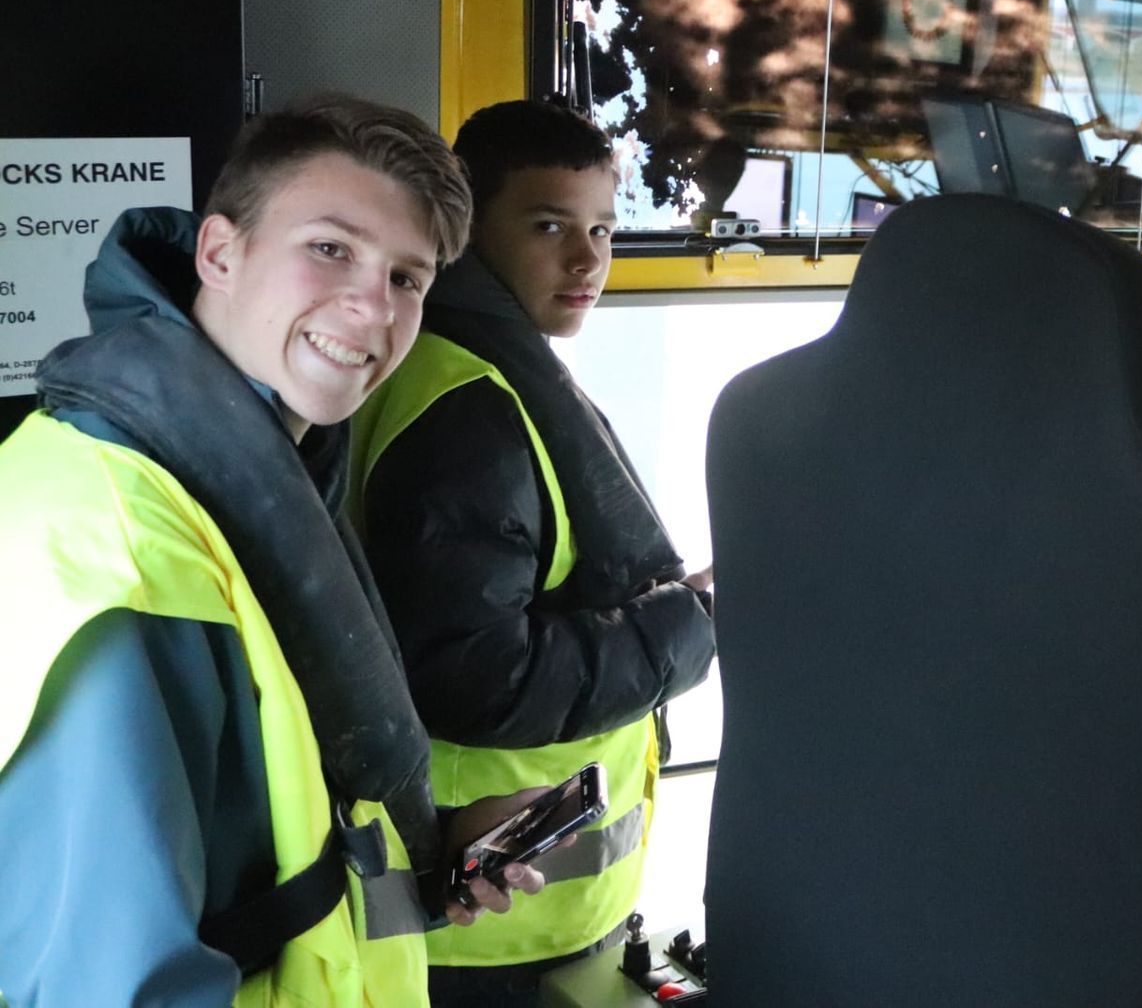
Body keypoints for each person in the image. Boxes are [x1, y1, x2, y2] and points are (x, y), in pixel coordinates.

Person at [0, 97, 556, 1008]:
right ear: (219, 252)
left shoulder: (236, 476)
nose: (372, 308)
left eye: (408, 278)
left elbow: (248, 830)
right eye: (330, 249)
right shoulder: (132, 557)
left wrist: (434, 844)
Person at [349, 99, 717, 1005]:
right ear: (469, 232)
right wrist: (692, 622)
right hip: (482, 925)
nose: (588, 259)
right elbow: (476, 675)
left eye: (602, 227)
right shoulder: (471, 412)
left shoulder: (475, 367)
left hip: (512, 913)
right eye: (550, 225)